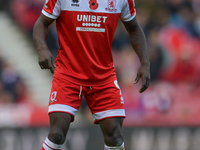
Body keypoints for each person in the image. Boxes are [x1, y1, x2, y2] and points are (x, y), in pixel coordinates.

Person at [33, 0, 150, 149]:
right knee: (57, 134)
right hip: (68, 74)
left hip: (103, 77)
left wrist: (145, 63)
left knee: (115, 136)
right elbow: (41, 23)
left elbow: (134, 28)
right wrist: (42, 49)